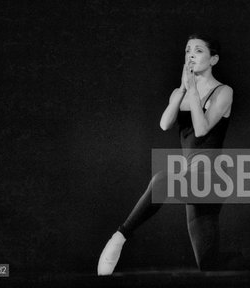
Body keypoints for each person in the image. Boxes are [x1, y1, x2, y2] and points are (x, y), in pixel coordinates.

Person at [97, 34, 233, 275]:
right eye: (187, 49)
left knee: (162, 180)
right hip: (192, 177)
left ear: (214, 59)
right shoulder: (178, 93)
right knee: (209, 264)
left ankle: (120, 236)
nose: (191, 54)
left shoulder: (223, 92)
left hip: (212, 178)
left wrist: (192, 91)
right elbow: (164, 124)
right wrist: (182, 89)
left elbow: (201, 130)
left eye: (199, 50)